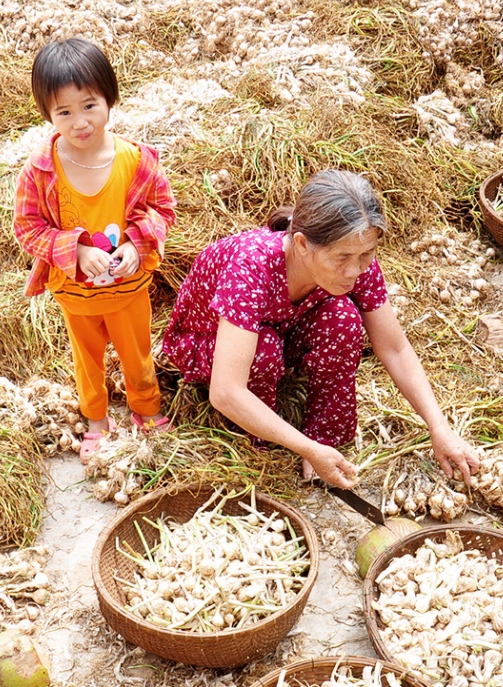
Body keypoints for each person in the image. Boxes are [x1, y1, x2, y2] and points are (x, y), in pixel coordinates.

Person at [161, 169, 479, 489]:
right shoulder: (251, 267)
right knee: (263, 351)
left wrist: (439, 427)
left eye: (366, 255)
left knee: (343, 319)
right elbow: (226, 391)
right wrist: (304, 447)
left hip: (285, 327)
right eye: (341, 258)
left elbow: (394, 347)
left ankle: (327, 439)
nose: (354, 270)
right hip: (211, 340)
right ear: (301, 244)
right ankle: (266, 441)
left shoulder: (354, 259)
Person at [14, 37, 177, 460]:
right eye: (63, 112)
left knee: (137, 352)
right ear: (48, 114)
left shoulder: (137, 160)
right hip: (75, 293)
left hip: (128, 288)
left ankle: (145, 407)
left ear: (109, 98)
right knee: (87, 359)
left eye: (89, 105)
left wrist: (138, 244)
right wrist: (77, 251)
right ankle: (96, 417)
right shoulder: (40, 170)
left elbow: (163, 208)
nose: (79, 122)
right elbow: (28, 228)